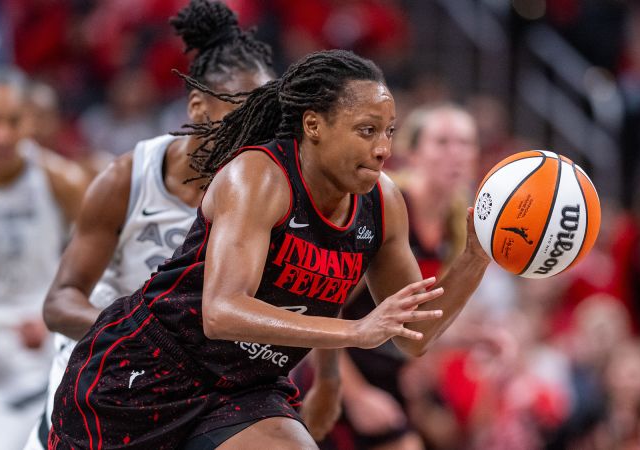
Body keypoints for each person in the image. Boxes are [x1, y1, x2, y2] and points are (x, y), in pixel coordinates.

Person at [49, 49, 492, 450]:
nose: (383, 149)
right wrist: (354, 333)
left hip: (243, 389)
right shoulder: (259, 177)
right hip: (144, 374)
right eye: (367, 131)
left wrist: (476, 257)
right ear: (314, 125)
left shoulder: (383, 202)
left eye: (389, 132)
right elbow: (221, 311)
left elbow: (413, 335)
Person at [24, 2, 342, 449]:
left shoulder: (270, 186)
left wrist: (328, 378)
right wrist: (142, 341)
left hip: (209, 376)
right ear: (197, 105)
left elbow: (320, 284)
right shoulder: (126, 179)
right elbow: (59, 303)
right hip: (107, 362)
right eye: (239, 113)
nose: (254, 131)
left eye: (265, 117)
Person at [322, 103, 479, 450]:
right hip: (337, 370)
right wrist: (356, 394)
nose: (456, 154)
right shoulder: (386, 210)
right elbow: (322, 311)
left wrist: (471, 340)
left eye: (465, 143)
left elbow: (422, 320)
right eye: (442, 142)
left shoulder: (457, 226)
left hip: (388, 374)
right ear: (412, 153)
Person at [0, 68, 87, 450]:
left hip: (27, 343)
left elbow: (95, 265)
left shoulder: (63, 181)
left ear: (30, 121)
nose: (1, 134)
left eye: (13, 122)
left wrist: (52, 322)